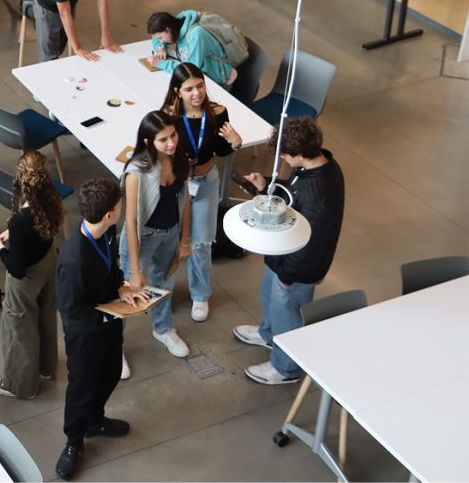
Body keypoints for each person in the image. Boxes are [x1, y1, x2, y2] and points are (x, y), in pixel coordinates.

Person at [233, 117, 345, 386]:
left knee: (288, 314)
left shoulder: (319, 194)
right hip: (283, 256)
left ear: (297, 154)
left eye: (283, 154)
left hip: (298, 267)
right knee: (270, 299)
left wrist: (288, 275)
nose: (282, 158)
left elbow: (312, 243)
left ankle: (286, 368)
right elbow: (294, 193)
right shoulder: (313, 166)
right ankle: (269, 334)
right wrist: (266, 184)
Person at [55, 177, 146, 480]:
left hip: (109, 321)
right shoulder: (73, 259)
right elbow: (70, 310)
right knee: (82, 386)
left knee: (109, 374)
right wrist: (110, 316)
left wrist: (121, 289)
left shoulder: (106, 230)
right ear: (109, 213)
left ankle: (95, 419)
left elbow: (112, 266)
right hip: (84, 333)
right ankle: (74, 440)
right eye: (119, 207)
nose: (121, 210)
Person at [160, 63, 243, 323]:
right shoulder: (168, 116)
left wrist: (235, 142)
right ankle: (163, 292)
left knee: (201, 243)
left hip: (206, 183)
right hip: (176, 185)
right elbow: (159, 151)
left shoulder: (218, 112)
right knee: (169, 241)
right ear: (177, 91)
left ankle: (200, 294)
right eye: (189, 89)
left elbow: (220, 150)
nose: (197, 93)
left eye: (200, 86)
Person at [118, 110, 193, 366]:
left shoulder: (178, 157)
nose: (171, 143)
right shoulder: (136, 172)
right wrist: (136, 269)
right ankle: (113, 347)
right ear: (149, 142)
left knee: (164, 284)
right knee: (127, 292)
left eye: (173, 135)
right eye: (164, 139)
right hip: (145, 236)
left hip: (171, 233)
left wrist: (185, 238)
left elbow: (185, 199)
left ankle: (163, 329)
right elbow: (130, 222)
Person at [0, 150, 61, 399]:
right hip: (48, 261)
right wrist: (13, 235)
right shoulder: (51, 200)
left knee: (20, 326)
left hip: (27, 275)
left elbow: (16, 268)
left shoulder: (20, 220)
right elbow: (39, 226)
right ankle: (46, 368)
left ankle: (21, 385)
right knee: (46, 313)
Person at [147, 10, 237, 88]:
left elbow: (189, 71)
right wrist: (160, 47)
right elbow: (154, 38)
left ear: (168, 29)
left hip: (220, 80)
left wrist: (161, 64)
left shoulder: (196, 35)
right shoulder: (176, 25)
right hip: (202, 77)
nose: (160, 41)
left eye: (160, 38)